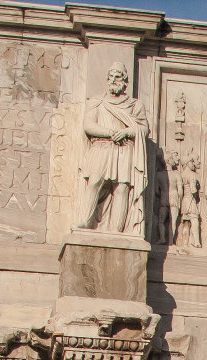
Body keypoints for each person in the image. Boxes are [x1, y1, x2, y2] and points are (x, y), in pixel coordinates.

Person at [77, 64, 148, 236]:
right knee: (94, 182)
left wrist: (125, 131)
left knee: (122, 188)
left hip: (124, 147)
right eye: (111, 76)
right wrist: (109, 133)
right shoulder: (97, 102)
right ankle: (86, 220)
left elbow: (143, 128)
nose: (114, 80)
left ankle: (117, 229)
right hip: (101, 146)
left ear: (125, 81)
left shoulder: (134, 105)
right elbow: (88, 125)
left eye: (118, 77)